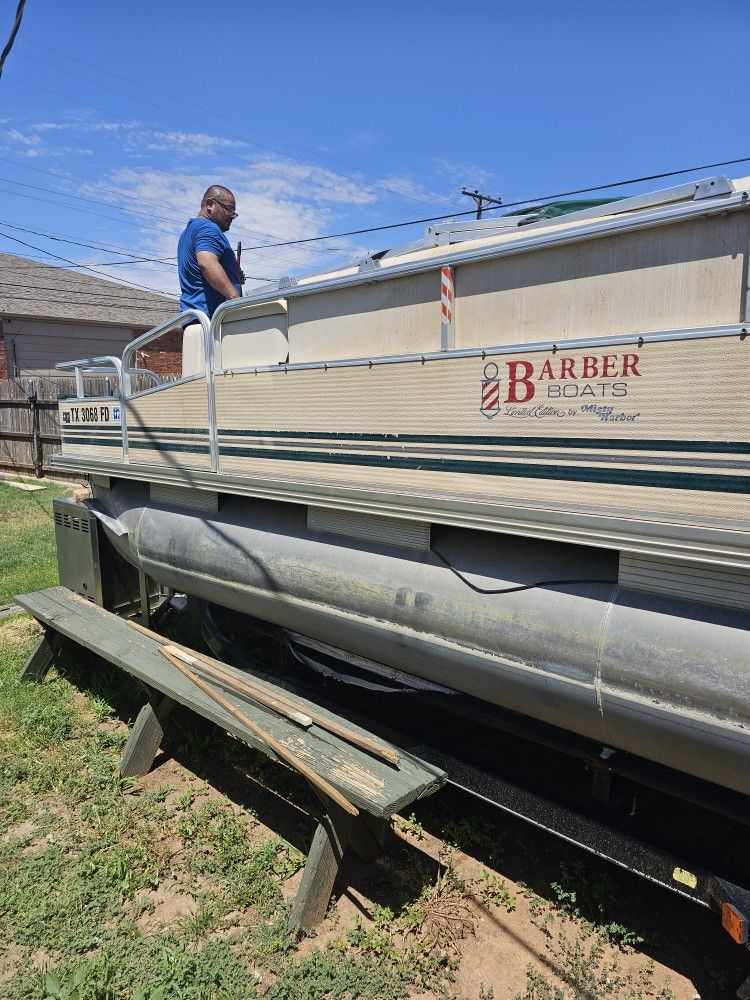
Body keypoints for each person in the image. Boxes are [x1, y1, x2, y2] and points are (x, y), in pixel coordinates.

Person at [178, 185, 244, 318]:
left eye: (234, 212)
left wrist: (233, 275)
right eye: (229, 209)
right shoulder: (207, 228)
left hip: (198, 318)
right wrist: (236, 300)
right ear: (209, 204)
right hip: (212, 320)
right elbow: (206, 263)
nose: (232, 216)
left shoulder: (188, 232)